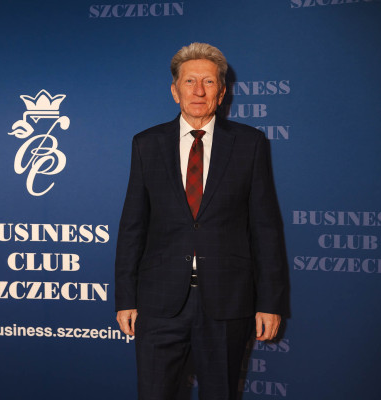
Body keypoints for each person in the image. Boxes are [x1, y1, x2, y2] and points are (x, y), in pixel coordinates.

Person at [114, 43, 289, 400]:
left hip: (227, 302)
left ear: (222, 93)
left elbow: (265, 229)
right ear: (174, 90)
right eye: (189, 81)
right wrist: (125, 297)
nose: (198, 91)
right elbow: (133, 226)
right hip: (159, 303)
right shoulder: (147, 144)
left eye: (208, 82)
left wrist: (270, 302)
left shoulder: (250, 144)